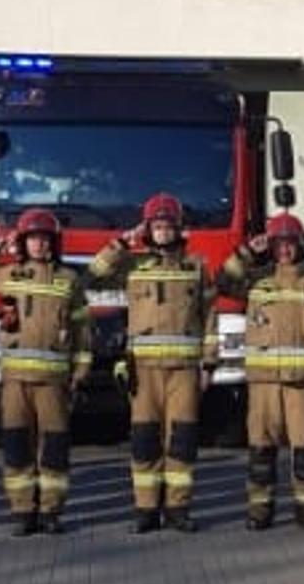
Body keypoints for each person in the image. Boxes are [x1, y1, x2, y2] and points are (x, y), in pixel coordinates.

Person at [87, 193, 218, 534]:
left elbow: (210, 319)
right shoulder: (132, 265)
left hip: (184, 372)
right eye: (156, 227)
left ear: (178, 229)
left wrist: (209, 365)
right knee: (144, 441)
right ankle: (146, 510)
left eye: (167, 226)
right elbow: (95, 273)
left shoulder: (197, 267)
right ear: (148, 229)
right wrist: (121, 242)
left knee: (182, 440)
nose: (162, 232)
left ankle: (178, 509)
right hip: (143, 372)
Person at [0, 209, 92, 536]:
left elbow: (83, 329)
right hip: (15, 381)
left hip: (54, 381)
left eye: (45, 239)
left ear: (54, 243)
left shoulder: (69, 280)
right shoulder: (9, 275)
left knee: (54, 447)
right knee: (17, 446)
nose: (39, 245)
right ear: (23, 242)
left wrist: (81, 370)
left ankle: (51, 512)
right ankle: (22, 512)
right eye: (32, 239)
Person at [218, 213, 304, 531]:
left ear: (300, 246)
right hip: (264, 383)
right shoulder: (255, 280)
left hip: (303, 382)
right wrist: (247, 253)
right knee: (261, 448)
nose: (285, 250)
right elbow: (223, 282)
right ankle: (260, 508)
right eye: (279, 244)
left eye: (290, 244)